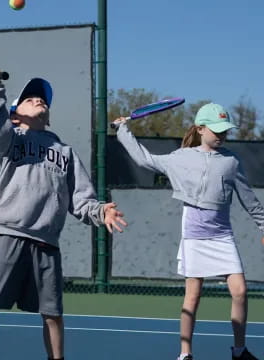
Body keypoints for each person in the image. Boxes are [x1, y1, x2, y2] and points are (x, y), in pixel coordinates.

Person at [0, 69, 127, 360]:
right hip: (8, 232)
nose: (38, 100)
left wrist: (100, 211)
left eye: (42, 99)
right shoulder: (12, 138)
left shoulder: (66, 152)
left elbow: (81, 200)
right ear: (15, 115)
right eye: (30, 98)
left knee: (53, 313)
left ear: (49, 116)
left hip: (47, 241)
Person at [112, 102, 264, 360]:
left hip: (222, 236)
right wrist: (123, 130)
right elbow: (144, 160)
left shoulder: (231, 161)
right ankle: (185, 354)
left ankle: (239, 351)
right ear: (200, 129)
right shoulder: (181, 158)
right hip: (194, 237)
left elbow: (249, 200)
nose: (222, 134)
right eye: (216, 130)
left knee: (240, 291)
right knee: (192, 297)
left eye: (225, 130)